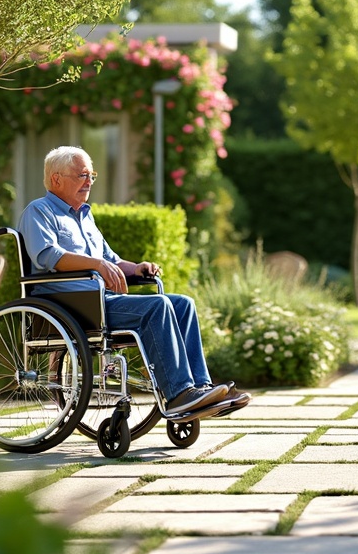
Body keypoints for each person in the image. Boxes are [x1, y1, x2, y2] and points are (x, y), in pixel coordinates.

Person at [17, 146, 248, 414]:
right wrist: (97, 265)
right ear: (56, 179)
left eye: (91, 174)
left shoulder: (85, 215)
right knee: (157, 306)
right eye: (81, 175)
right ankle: (179, 394)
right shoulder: (39, 211)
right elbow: (48, 255)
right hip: (72, 304)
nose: (89, 181)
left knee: (182, 303)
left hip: (102, 301)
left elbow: (110, 259)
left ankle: (200, 389)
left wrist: (136, 268)